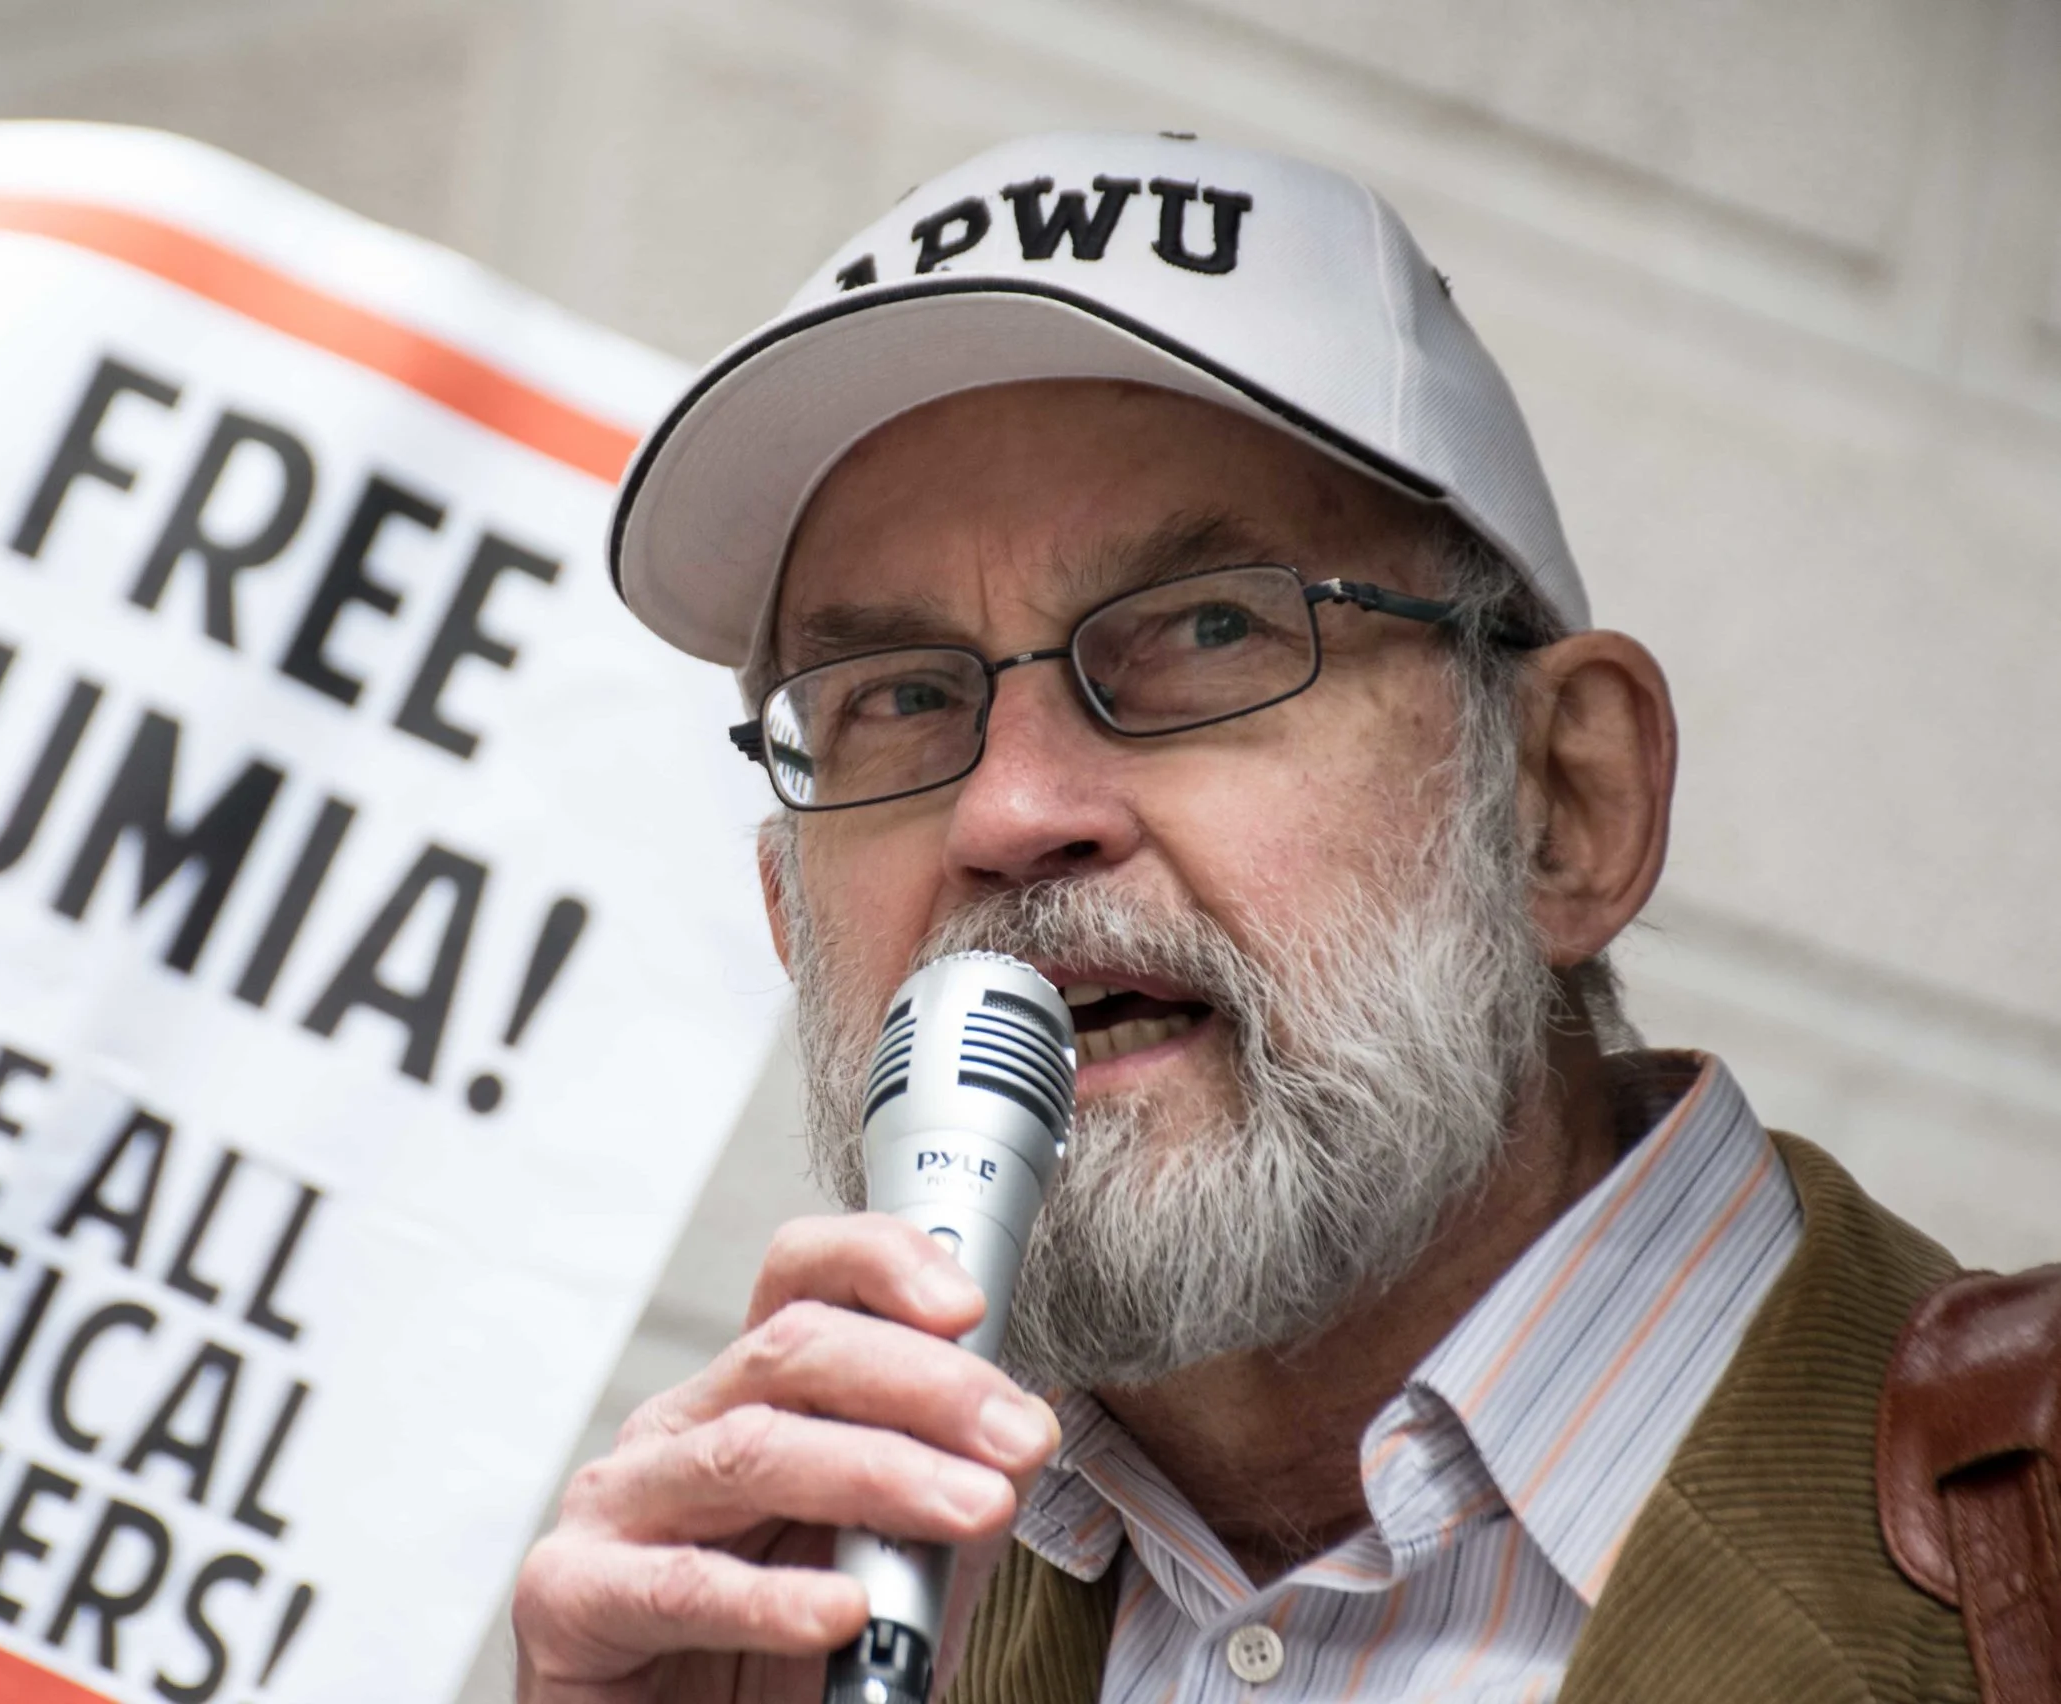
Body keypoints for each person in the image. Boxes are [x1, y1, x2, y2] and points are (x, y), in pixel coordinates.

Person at [512, 133, 1984, 1703]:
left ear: (1562, 803)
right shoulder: (798, 1633)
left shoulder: (2003, 1576)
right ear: (794, 927)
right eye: (894, 698)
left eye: (1207, 631)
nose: (1010, 815)